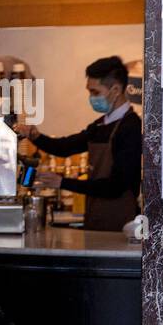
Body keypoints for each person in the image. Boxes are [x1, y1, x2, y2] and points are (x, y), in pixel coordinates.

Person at [14, 56, 142, 231]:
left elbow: (115, 186)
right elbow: (65, 147)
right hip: (95, 216)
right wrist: (35, 136)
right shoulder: (99, 125)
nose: (91, 97)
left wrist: (63, 183)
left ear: (116, 89)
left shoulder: (131, 127)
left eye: (95, 92)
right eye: (89, 91)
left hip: (121, 223)